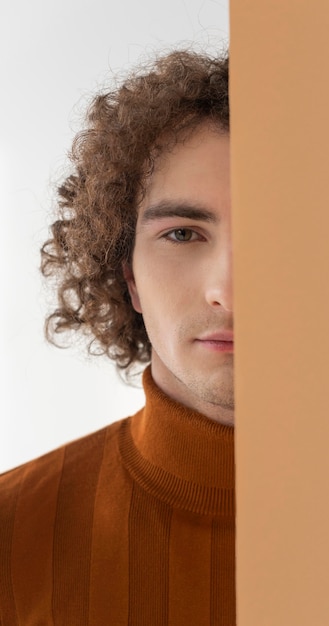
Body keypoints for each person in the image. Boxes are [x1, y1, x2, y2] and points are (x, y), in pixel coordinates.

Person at [0, 49, 235, 625]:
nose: (228, 290)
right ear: (127, 276)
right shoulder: (9, 536)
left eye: (285, 230)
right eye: (182, 234)